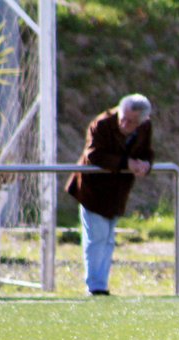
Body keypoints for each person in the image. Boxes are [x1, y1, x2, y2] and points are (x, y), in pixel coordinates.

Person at [66, 93, 154, 296]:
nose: (124, 124)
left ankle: (101, 285)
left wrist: (145, 165)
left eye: (131, 122)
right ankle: (95, 287)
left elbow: (146, 152)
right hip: (92, 189)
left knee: (107, 239)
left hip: (118, 191)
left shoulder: (145, 127)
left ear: (142, 121)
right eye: (123, 118)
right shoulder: (102, 123)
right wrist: (126, 163)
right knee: (96, 238)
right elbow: (93, 155)